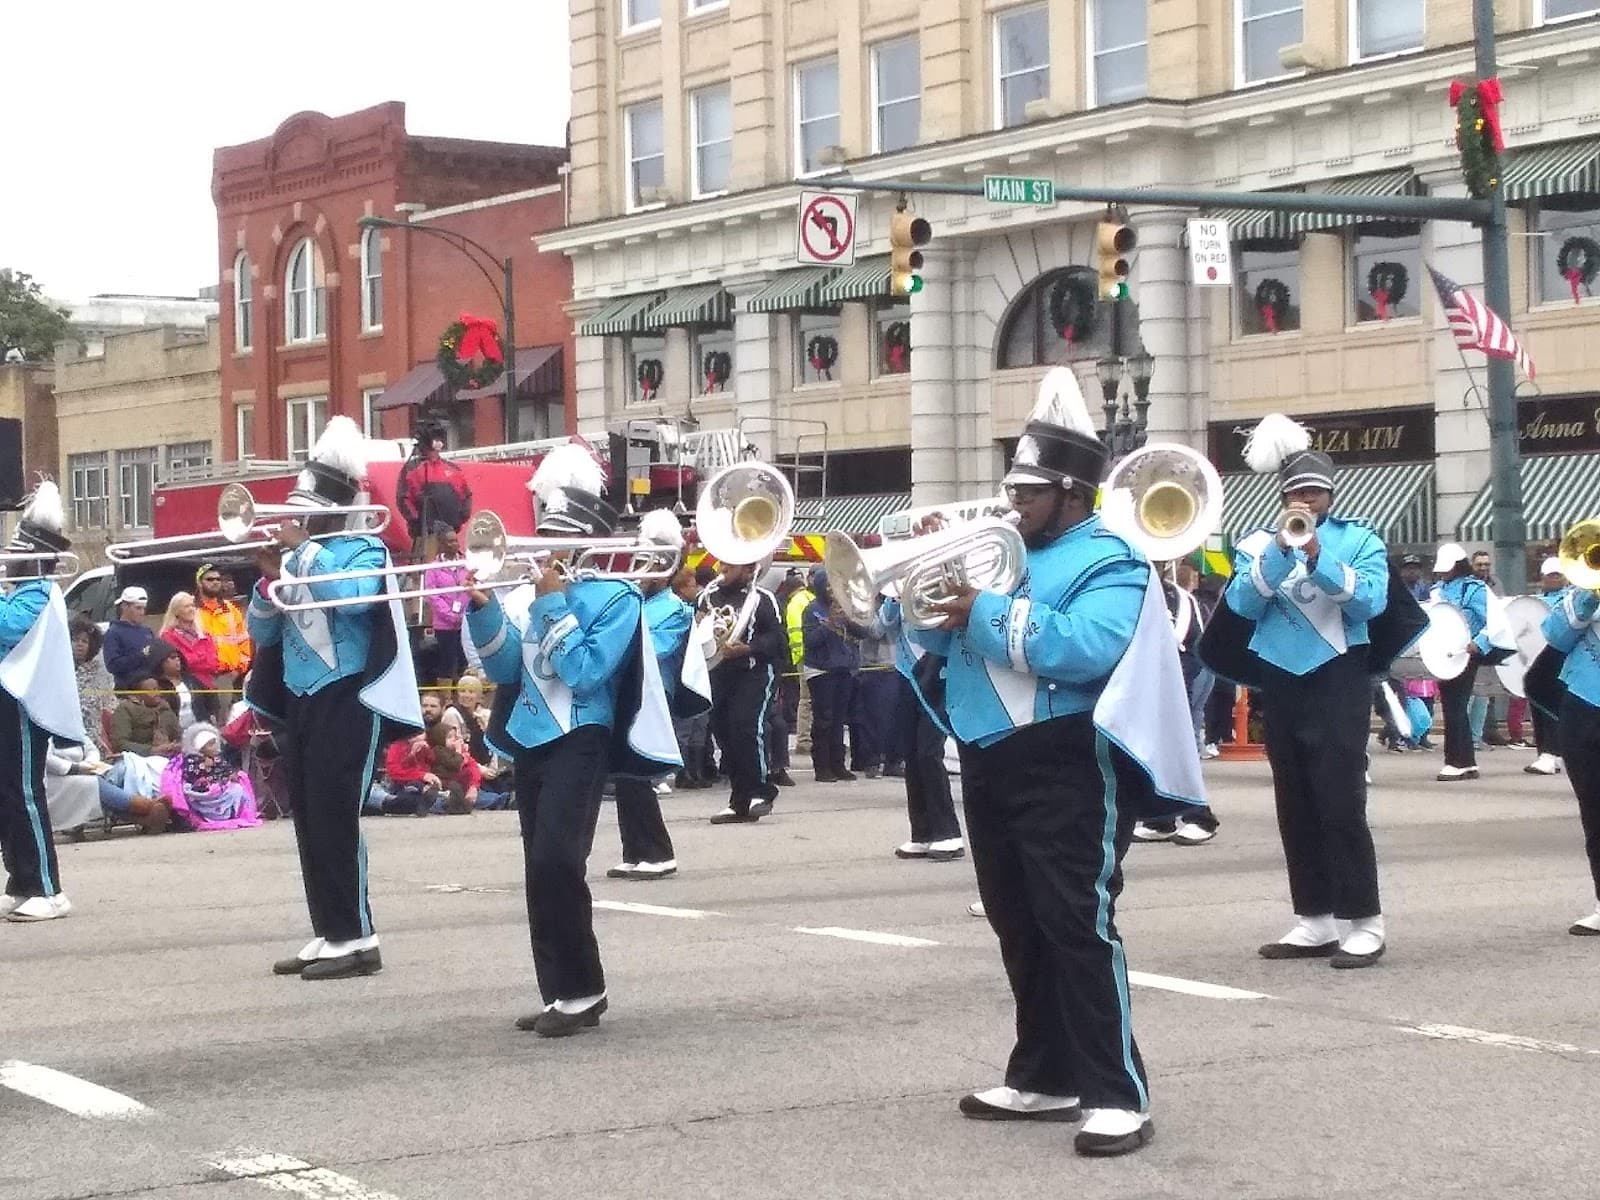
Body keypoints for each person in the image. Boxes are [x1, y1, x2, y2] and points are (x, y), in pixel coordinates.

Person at [905, 369, 1206, 1157]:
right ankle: (1044, 1073)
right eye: (1013, 490)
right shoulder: (999, 550)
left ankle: (1116, 1091)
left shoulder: (1113, 557)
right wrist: (918, 598)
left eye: (1030, 494)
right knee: (1017, 917)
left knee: (1077, 918)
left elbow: (1088, 647)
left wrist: (986, 608)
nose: (1014, 507)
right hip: (988, 751)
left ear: (1073, 493)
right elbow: (942, 640)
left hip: (1071, 754)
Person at [464, 444, 676, 1036]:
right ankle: (560, 991)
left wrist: (553, 602)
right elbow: (507, 671)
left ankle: (586, 989)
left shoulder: (618, 598)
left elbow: (585, 671)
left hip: (582, 735)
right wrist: (484, 611)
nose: (545, 551)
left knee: (560, 859)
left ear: (583, 543)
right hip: (531, 735)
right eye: (544, 536)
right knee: (538, 867)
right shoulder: (526, 592)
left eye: (558, 539)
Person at [1208, 414, 1400, 968]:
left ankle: (1365, 920)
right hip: (1281, 677)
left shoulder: (1359, 540)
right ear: (1284, 494)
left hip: (1338, 674)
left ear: (1330, 495)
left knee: (1341, 800)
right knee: (1293, 800)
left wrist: (1318, 557)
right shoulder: (1258, 544)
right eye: (1297, 492)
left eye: (1315, 491)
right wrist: (1279, 554)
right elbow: (1242, 606)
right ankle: (1313, 918)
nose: (1306, 500)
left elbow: (1370, 605)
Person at [248, 416, 423, 981]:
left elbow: (349, 604)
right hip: (302, 698)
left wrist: (306, 556)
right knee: (308, 816)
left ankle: (359, 936)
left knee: (337, 815)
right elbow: (267, 635)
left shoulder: (364, 552)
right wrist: (266, 587)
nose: (300, 517)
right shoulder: (301, 558)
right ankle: (329, 930)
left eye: (310, 509)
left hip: (351, 695)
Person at [0, 482, 87, 922]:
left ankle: (48, 888)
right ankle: (21, 880)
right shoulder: (17, 591)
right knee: (6, 796)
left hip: (21, 705)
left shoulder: (39, 592)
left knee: (24, 793)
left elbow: (7, 631)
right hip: (6, 698)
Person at [608, 509, 704, 881]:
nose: (639, 572)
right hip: (628, 695)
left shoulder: (675, 609)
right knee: (626, 778)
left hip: (652, 697)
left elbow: (655, 649)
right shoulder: (637, 601)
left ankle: (658, 852)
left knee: (638, 777)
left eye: (648, 565)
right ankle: (635, 851)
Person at [1132, 568, 1221, 847]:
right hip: (1143, 682)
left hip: (1177, 680)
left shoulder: (1180, 599)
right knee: (1149, 751)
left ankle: (1200, 817)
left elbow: (1195, 642)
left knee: (1177, 748)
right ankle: (1161, 817)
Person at [874, 601, 963, 863]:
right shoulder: (896, 596)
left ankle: (948, 832)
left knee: (928, 751)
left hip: (936, 669)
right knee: (911, 752)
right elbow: (881, 630)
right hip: (906, 671)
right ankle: (922, 832)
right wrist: (891, 602)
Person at [700, 558, 786, 823]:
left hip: (754, 671)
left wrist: (748, 648)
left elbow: (777, 638)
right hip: (718, 671)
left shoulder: (763, 598)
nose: (722, 568)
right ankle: (740, 801)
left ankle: (762, 790)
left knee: (746, 727)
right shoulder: (707, 597)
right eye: (722, 562)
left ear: (749, 569)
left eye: (731, 564)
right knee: (724, 732)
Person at [1539, 576, 1600, 934]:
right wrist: (1588, 599)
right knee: (1594, 810)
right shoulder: (1583, 590)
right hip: (1584, 701)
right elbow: (1554, 634)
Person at [1432, 542, 1493, 782]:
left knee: (1455, 705)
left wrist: (1480, 643)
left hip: (1466, 653)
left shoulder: (1474, 589)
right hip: (1444, 653)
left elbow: (1493, 620)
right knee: (1451, 705)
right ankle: (1465, 761)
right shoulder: (1437, 590)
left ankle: (1457, 760)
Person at [802, 568, 862, 783]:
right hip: (820, 670)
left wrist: (850, 620)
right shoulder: (812, 610)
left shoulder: (845, 606)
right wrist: (830, 624)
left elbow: (863, 633)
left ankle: (838, 764)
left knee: (838, 720)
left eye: (833, 585)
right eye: (827, 586)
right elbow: (810, 641)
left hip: (843, 668)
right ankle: (822, 766)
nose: (831, 590)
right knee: (824, 719)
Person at [160, 723, 260, 830]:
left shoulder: (216, 758)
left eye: (214, 744)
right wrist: (204, 768)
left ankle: (231, 813)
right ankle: (213, 815)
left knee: (238, 788)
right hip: (202, 792)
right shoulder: (192, 760)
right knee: (231, 791)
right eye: (210, 745)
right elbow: (193, 778)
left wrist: (230, 775)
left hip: (220, 787)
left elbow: (225, 769)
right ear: (201, 747)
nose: (214, 747)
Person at [1526, 557, 1569, 777]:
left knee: (1552, 702)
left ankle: (1551, 753)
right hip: (1540, 656)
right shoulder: (1536, 601)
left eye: (1558, 574)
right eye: (1550, 575)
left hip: (1563, 657)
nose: (1555, 579)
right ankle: (1547, 751)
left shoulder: (1571, 599)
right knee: (1539, 701)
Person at [397, 419, 472, 543]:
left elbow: (466, 495)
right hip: (424, 537)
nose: (438, 442)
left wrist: (460, 518)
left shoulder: (453, 470)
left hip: (450, 534)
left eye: (440, 438)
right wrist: (417, 521)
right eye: (435, 438)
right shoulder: (412, 469)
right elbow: (403, 499)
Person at [419, 523, 470, 687]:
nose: (455, 544)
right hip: (444, 625)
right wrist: (450, 615)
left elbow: (472, 587)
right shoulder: (433, 568)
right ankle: (445, 698)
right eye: (450, 541)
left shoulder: (467, 564)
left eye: (456, 540)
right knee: (447, 662)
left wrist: (464, 614)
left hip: (465, 622)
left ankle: (465, 693)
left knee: (465, 659)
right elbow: (432, 595)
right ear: (441, 544)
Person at [850, 611, 899, 778]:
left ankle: (893, 762)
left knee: (895, 720)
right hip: (875, 668)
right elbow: (875, 631)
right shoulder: (867, 607)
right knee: (874, 720)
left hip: (898, 667)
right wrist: (890, 608)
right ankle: (871, 761)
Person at [196, 563, 253, 694]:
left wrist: (238, 671)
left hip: (233, 677)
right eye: (210, 579)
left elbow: (244, 642)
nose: (215, 582)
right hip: (202, 678)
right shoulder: (192, 611)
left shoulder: (231, 609)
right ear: (199, 583)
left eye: (218, 579)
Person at [146, 637, 221, 732]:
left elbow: (211, 697)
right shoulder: (156, 685)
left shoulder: (190, 680)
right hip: (174, 734)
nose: (177, 660)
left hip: (200, 730)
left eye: (178, 657)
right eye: (172, 658)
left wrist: (212, 715)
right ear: (161, 662)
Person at [160, 591, 222, 691]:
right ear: (176, 611)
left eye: (192, 605)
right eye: (186, 606)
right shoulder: (168, 636)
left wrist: (194, 661)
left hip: (209, 685)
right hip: (184, 686)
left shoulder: (205, 634)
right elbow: (183, 664)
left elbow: (214, 663)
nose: (191, 609)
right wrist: (201, 658)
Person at [71, 618, 116, 753]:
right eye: (75, 640)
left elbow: (109, 706)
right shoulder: (59, 670)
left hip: (93, 737)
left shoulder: (99, 674)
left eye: (84, 641)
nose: (80, 644)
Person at [784, 570, 815, 758]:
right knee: (808, 701)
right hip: (812, 656)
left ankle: (805, 739)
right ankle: (804, 740)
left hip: (802, 656)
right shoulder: (808, 599)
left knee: (806, 701)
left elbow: (793, 631)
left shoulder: (794, 603)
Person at [109, 676, 182, 756]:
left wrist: (175, 746)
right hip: (138, 759)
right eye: (152, 691)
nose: (158, 694)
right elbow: (119, 743)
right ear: (138, 695)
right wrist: (151, 750)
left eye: (158, 689)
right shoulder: (126, 710)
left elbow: (179, 736)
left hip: (169, 758)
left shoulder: (165, 710)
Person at [103, 586, 155, 690]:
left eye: (144, 608)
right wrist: (141, 655)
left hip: (151, 689)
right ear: (124, 606)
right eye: (138, 608)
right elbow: (112, 666)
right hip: (128, 690)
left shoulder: (147, 631)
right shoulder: (113, 633)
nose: (142, 612)